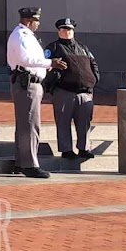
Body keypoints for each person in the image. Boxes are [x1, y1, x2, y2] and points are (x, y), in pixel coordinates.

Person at [5, 6, 66, 178]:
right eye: (36, 20)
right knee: (30, 124)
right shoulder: (20, 36)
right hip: (26, 83)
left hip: (32, 83)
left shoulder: (27, 36)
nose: (38, 24)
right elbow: (25, 60)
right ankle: (29, 164)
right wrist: (50, 63)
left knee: (26, 123)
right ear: (28, 20)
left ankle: (21, 161)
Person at [45, 17, 99, 160]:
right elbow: (47, 67)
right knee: (63, 121)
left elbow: (93, 64)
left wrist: (94, 79)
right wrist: (54, 83)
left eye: (69, 29)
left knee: (84, 122)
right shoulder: (53, 48)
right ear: (58, 31)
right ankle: (66, 149)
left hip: (84, 92)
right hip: (64, 91)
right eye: (64, 29)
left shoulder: (82, 47)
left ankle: (84, 148)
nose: (67, 32)